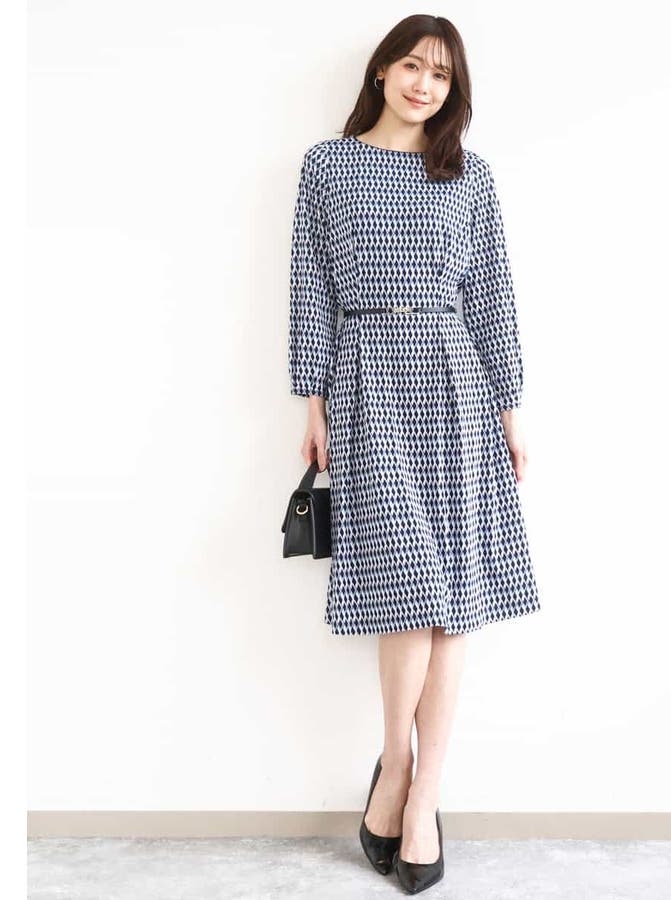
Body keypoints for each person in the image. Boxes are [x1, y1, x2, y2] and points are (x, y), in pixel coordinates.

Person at [287, 14, 541, 894]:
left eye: (441, 74)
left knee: (454, 595)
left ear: (453, 89)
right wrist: (312, 400)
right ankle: (394, 764)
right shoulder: (328, 166)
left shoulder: (469, 175)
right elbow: (309, 286)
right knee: (406, 584)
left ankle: (422, 792)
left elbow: (493, 292)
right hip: (366, 381)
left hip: (455, 381)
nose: (424, 84)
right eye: (411, 66)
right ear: (381, 72)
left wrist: (510, 409)